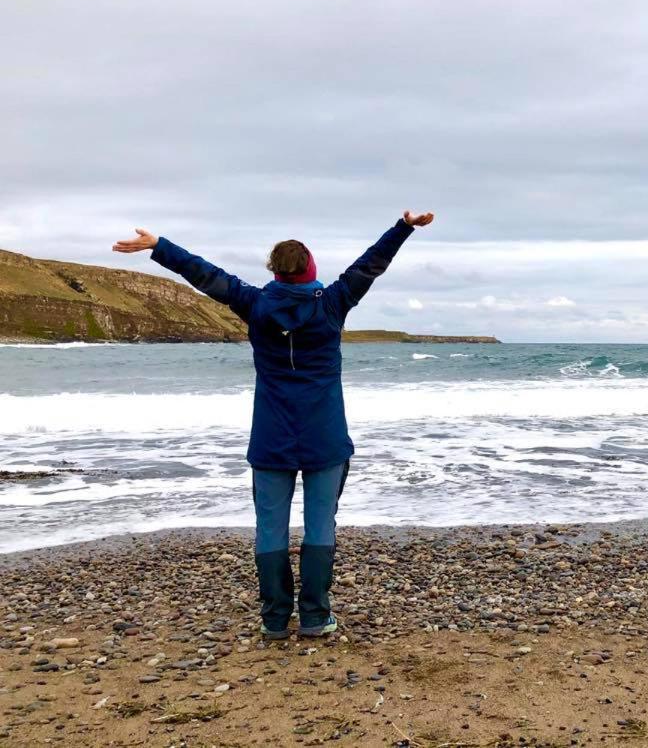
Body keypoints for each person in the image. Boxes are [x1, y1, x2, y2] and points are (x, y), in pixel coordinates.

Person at [112, 211, 435, 638]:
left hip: (271, 436)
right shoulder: (333, 303)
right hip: (324, 436)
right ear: (310, 269)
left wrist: (159, 246)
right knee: (320, 524)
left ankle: (275, 620)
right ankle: (316, 617)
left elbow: (207, 276)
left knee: (270, 525)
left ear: (275, 272)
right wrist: (403, 226)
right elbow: (370, 265)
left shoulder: (255, 304)